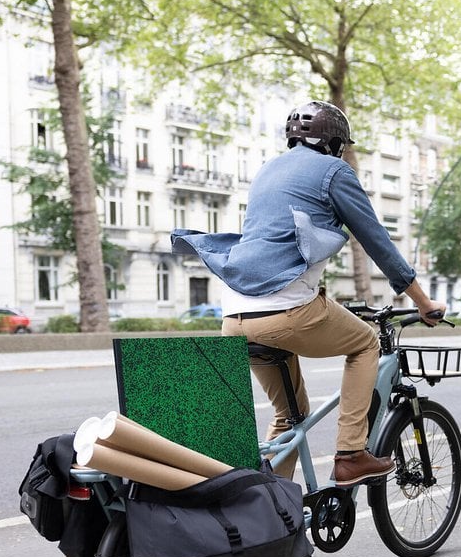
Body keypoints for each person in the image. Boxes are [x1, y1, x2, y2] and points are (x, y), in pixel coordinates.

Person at [172, 100, 445, 484]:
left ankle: (268, 508)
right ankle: (351, 454)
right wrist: (423, 303)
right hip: (287, 312)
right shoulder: (335, 171)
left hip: (233, 318)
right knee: (365, 344)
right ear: (335, 143)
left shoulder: (268, 169)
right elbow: (377, 242)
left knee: (289, 415)